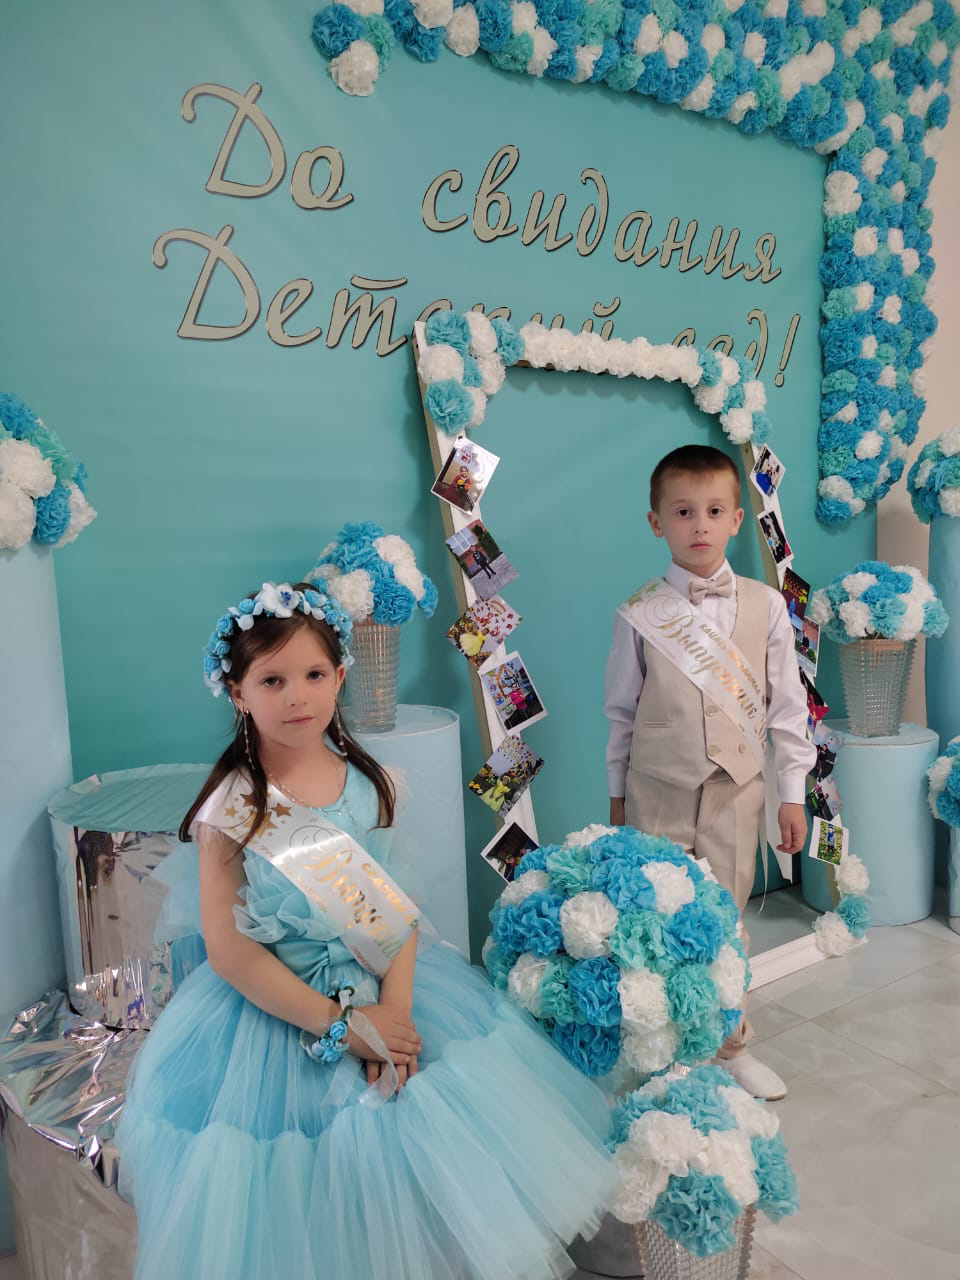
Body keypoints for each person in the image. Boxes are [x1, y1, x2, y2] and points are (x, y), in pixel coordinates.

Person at [117, 581, 613, 1280]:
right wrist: (344, 1027)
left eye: (314, 675)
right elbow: (229, 952)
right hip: (275, 1015)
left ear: (341, 676)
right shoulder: (231, 808)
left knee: (418, 1174)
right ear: (237, 692)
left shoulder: (370, 781)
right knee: (305, 1199)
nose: (297, 697)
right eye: (272, 680)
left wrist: (395, 1020)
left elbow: (394, 912)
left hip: (391, 987)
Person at [604, 445, 815, 1102]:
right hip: (655, 792)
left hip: (736, 793)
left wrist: (791, 794)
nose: (700, 524)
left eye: (715, 511)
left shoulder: (766, 605)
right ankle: (664, 1057)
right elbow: (620, 712)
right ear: (656, 522)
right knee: (656, 924)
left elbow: (787, 707)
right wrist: (615, 795)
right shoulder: (639, 613)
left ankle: (732, 1048)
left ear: (736, 519)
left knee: (724, 925)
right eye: (683, 511)